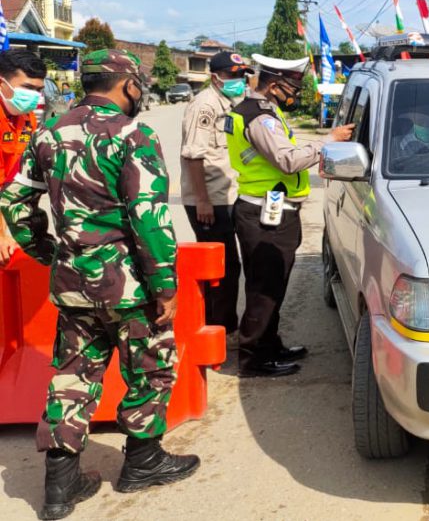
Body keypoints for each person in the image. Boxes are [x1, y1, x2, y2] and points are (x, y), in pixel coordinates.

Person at [0, 50, 199, 520]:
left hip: (72, 283)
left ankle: (59, 487)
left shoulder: (48, 132)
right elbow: (149, 219)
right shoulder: (134, 134)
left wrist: (47, 251)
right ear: (127, 85)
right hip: (128, 286)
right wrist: (165, 286)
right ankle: (143, 462)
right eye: (138, 86)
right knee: (150, 367)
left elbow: (12, 199)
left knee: (73, 376)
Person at [228, 54, 353, 377]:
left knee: (274, 285)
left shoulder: (266, 113)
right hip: (263, 213)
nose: (295, 94)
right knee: (263, 288)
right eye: (292, 87)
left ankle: (270, 345)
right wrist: (327, 142)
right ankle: (253, 358)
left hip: (270, 210)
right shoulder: (260, 117)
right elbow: (287, 160)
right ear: (275, 83)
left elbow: (289, 147)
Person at [180, 52, 250, 343]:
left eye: (241, 75)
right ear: (216, 77)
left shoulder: (228, 103)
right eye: (233, 75)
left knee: (230, 267)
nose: (238, 81)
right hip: (209, 201)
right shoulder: (205, 106)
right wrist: (203, 201)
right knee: (219, 269)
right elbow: (194, 155)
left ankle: (223, 327)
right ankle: (214, 329)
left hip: (226, 196)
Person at [0, 50, 47, 264]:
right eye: (27, 88)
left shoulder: (26, 118)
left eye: (39, 90)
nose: (34, 96)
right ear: (2, 83)